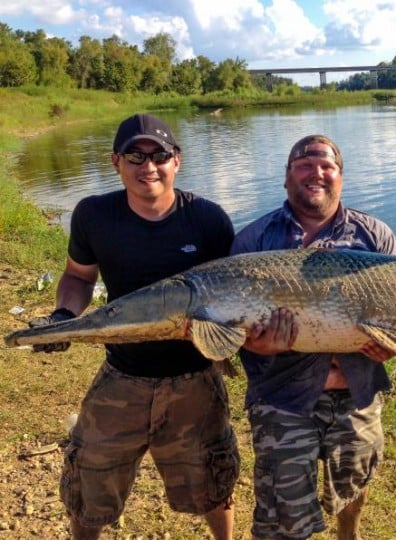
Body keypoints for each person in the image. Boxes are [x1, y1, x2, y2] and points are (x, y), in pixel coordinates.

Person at [30, 113, 240, 540]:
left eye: (159, 155)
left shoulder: (208, 219)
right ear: (115, 162)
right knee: (89, 481)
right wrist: (64, 317)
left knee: (215, 485)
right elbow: (77, 276)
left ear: (176, 161)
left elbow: (233, 294)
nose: (149, 166)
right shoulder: (93, 215)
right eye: (135, 155)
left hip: (195, 377)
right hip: (122, 374)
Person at [230, 134, 396, 540]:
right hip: (281, 394)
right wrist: (253, 343)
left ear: (341, 176)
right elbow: (228, 325)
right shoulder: (254, 241)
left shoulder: (375, 236)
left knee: (353, 484)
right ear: (287, 177)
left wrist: (390, 348)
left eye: (327, 166)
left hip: (357, 391)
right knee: (281, 503)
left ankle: (349, 535)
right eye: (304, 164)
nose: (317, 173)